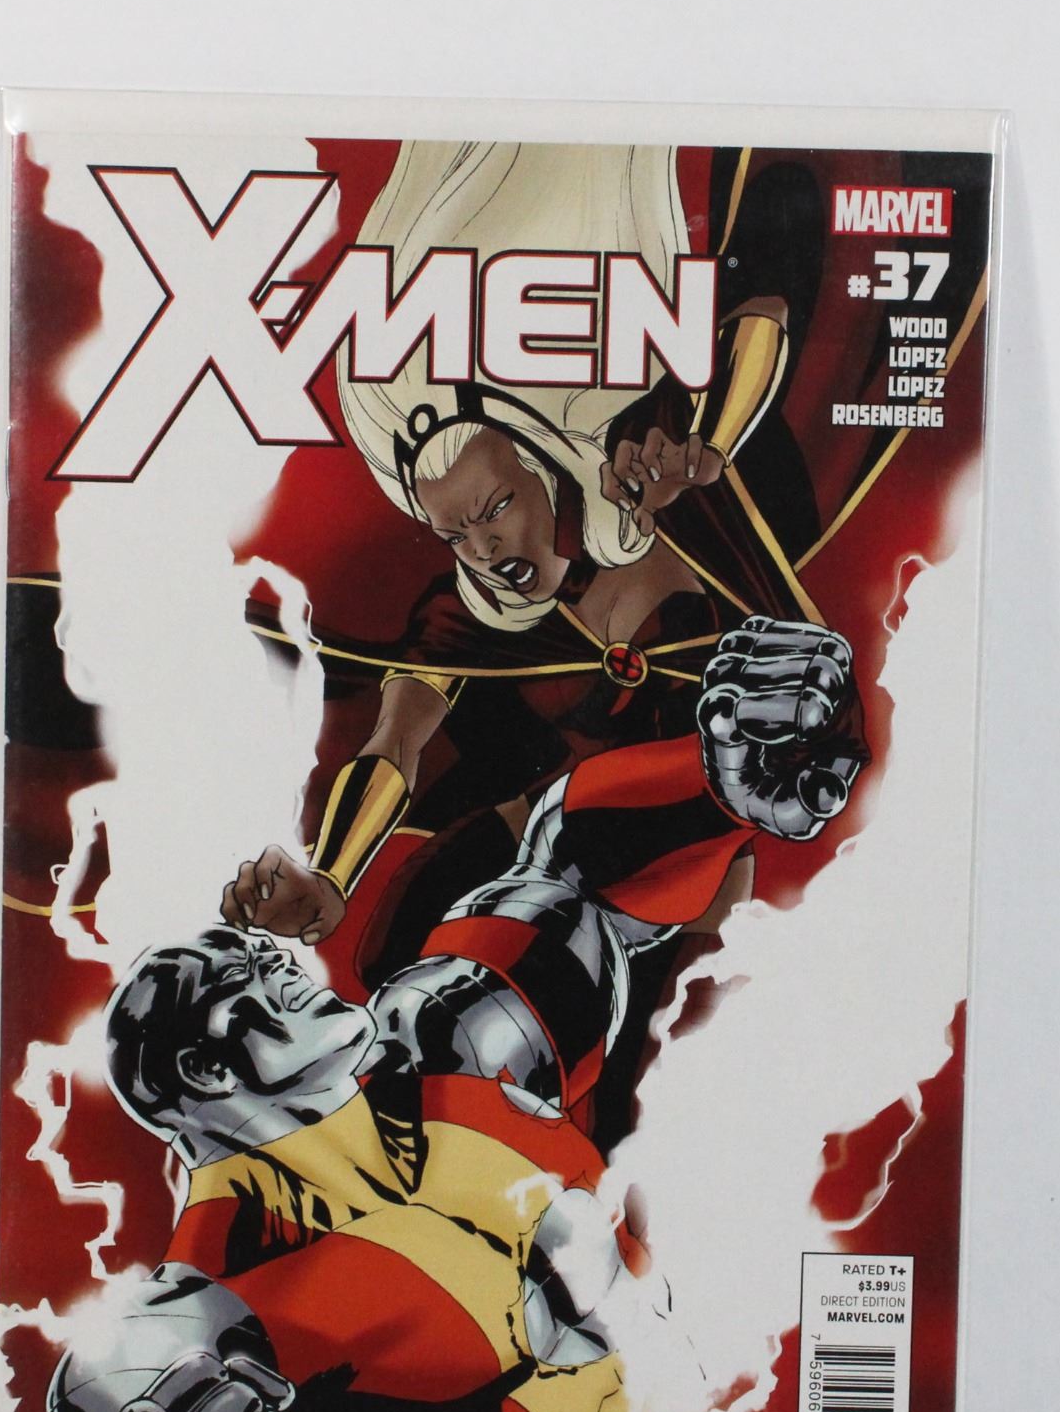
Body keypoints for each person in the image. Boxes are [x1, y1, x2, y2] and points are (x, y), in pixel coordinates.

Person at [0, 617, 864, 1412]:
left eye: (267, 958)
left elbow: (568, 869)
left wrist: (716, 780)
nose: (283, 966)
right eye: (244, 981)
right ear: (202, 1070)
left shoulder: (449, 1040)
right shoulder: (217, 1292)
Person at [236, 143, 827, 1143]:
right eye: (453, 532)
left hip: (686, 880)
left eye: (494, 508)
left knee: (641, 1094)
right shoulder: (463, 615)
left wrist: (712, 449)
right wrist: (331, 873)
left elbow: (762, 306)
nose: (482, 547)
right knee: (400, 949)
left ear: (545, 465)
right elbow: (393, 747)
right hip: (545, 872)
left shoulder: (653, 488)